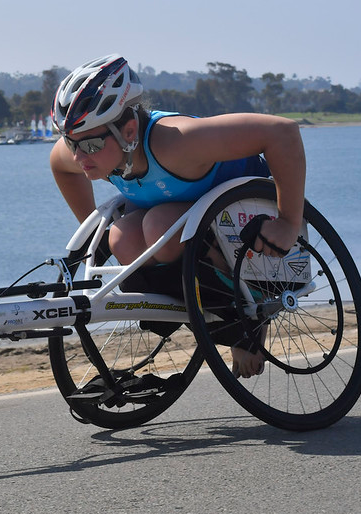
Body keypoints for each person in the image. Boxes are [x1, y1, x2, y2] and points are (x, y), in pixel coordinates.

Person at [49, 53, 307, 379]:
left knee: (158, 227)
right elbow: (60, 165)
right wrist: (89, 230)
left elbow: (282, 132)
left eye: (88, 145)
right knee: (120, 238)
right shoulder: (90, 149)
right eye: (70, 142)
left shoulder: (178, 141)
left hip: (241, 210)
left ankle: (245, 322)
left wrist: (288, 222)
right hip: (176, 213)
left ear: (129, 131)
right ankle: (202, 315)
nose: (77, 156)